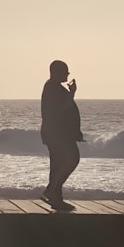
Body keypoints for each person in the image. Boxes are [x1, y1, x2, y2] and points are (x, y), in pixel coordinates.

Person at [40, 59, 83, 211]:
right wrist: (72, 93)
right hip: (58, 134)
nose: (68, 74)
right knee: (72, 159)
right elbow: (61, 110)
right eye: (65, 71)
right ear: (56, 72)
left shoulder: (54, 87)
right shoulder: (53, 88)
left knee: (58, 164)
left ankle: (56, 197)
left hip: (58, 133)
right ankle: (52, 190)